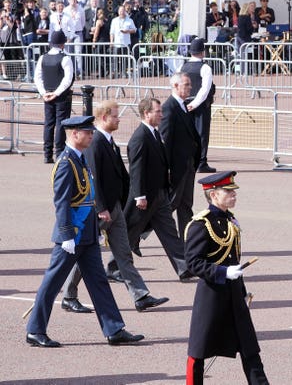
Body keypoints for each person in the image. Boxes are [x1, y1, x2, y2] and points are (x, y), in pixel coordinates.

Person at [25, 115, 144, 348]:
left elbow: (87, 199)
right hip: (72, 237)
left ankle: (114, 329)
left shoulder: (80, 160)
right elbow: (62, 203)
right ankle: (35, 330)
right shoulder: (66, 163)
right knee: (51, 284)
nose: (91, 135)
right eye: (87, 132)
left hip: (87, 235)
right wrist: (67, 234)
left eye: (91, 131)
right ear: (74, 134)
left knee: (99, 281)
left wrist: (95, 230)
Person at [60, 101, 170, 313]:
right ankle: (69, 295)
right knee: (83, 252)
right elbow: (93, 178)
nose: (119, 119)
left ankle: (140, 296)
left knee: (123, 252)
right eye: (115, 116)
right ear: (103, 118)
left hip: (115, 208)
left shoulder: (109, 141)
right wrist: (101, 207)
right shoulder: (96, 142)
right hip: (100, 210)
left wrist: (131, 198)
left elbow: (122, 176)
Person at [184, 172, 269, 385]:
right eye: (228, 192)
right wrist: (223, 272)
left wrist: (240, 287)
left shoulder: (229, 219)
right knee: (199, 350)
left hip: (234, 292)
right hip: (212, 295)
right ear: (213, 195)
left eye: (233, 191)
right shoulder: (200, 224)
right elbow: (193, 263)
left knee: (250, 348)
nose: (234, 195)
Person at [124, 98, 192, 280]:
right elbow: (136, 169)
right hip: (146, 197)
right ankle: (114, 265)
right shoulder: (140, 137)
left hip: (160, 194)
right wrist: (140, 196)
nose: (162, 115)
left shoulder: (154, 133)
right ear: (147, 114)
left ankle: (183, 266)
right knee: (130, 233)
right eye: (158, 112)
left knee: (169, 231)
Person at [160, 72, 201, 239]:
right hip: (177, 166)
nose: (190, 88)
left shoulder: (184, 105)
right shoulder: (169, 108)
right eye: (186, 85)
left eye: (190, 84)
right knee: (170, 205)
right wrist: (167, 167)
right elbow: (166, 140)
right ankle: (137, 234)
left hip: (187, 164)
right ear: (175, 86)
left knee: (185, 205)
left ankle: (188, 241)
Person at [34, 30, 74, 164]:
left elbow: (37, 77)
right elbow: (68, 79)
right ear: (63, 43)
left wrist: (43, 93)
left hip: (47, 95)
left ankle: (47, 154)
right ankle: (59, 153)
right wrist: (56, 93)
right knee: (61, 124)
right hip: (61, 96)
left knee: (49, 124)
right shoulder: (65, 58)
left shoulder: (43, 57)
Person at [178, 38, 216, 173]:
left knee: (187, 134)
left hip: (185, 103)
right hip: (200, 106)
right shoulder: (205, 68)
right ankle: (201, 162)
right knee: (202, 134)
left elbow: (176, 85)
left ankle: (188, 161)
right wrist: (194, 104)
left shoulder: (182, 67)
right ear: (203, 52)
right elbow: (205, 90)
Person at [63, 0, 85, 78]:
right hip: (68, 33)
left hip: (78, 33)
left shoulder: (81, 9)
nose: (73, 1)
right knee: (69, 53)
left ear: (77, 0)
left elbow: (82, 22)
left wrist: (78, 28)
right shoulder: (65, 10)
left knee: (78, 52)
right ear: (69, 0)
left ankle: (79, 73)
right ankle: (71, 72)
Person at [109, 5, 136, 78]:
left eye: (123, 11)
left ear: (125, 11)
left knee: (125, 59)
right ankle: (115, 72)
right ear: (118, 12)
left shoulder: (129, 20)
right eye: (120, 11)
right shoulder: (114, 20)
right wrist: (111, 41)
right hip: (117, 43)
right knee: (115, 58)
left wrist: (127, 31)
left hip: (125, 43)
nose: (121, 12)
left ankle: (124, 73)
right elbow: (112, 32)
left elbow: (134, 30)